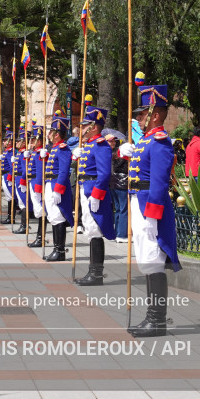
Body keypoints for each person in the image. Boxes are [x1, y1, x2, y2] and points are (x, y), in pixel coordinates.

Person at [119, 82, 180, 338]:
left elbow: (158, 182)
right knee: (145, 259)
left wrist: (153, 216)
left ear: (155, 114)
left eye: (142, 114)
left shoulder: (160, 142)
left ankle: (156, 321)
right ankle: (152, 318)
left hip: (149, 206)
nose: (139, 118)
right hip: (138, 201)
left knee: (152, 261)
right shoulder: (145, 141)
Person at [73, 107, 116, 286]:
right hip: (86, 189)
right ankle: (93, 271)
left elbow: (104, 173)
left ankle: (96, 274)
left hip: (94, 192)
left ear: (94, 127)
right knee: (90, 230)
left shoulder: (101, 145)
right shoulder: (89, 145)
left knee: (95, 231)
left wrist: (97, 195)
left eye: (85, 126)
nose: (81, 129)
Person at [42, 111, 73, 262]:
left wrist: (58, 190)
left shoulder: (63, 149)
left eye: (51, 132)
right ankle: (56, 248)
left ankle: (60, 250)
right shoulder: (54, 148)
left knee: (58, 216)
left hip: (56, 185)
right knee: (53, 217)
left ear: (56, 134)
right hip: (50, 183)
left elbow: (63, 171)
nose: (48, 134)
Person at [27, 123, 47, 248]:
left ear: (39, 140)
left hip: (37, 184)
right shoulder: (35, 152)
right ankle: (39, 237)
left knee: (41, 212)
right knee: (38, 211)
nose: (31, 142)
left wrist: (38, 188)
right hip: (32, 183)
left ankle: (40, 238)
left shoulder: (41, 153)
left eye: (34, 140)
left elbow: (40, 173)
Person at [107, 134, 129, 243]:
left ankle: (117, 233)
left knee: (119, 209)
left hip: (113, 183)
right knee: (123, 209)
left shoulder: (114, 154)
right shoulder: (124, 156)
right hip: (122, 184)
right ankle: (122, 234)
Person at [12, 127, 31, 234]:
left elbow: (25, 170)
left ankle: (24, 226)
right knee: (21, 202)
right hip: (18, 178)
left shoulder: (24, 153)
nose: (17, 142)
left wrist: (23, 182)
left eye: (19, 141)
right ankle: (23, 225)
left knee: (24, 203)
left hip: (21, 179)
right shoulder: (19, 153)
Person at [0, 127, 14, 224]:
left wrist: (10, 177)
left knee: (10, 197)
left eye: (5, 141)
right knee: (8, 197)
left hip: (8, 176)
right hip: (4, 175)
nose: (3, 142)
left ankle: (11, 217)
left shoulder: (10, 152)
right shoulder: (6, 152)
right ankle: (9, 216)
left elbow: (12, 166)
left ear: (10, 142)